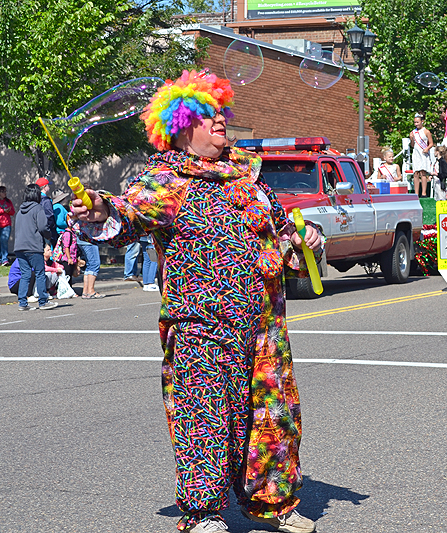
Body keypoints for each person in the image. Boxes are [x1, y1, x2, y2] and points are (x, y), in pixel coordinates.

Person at [72, 69, 321, 533]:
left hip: (262, 322)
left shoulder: (246, 174)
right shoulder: (165, 181)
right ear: (183, 127)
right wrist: (99, 208)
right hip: (201, 324)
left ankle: (274, 505)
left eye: (221, 113)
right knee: (203, 414)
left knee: (272, 412)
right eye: (207, 116)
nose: (220, 122)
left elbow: (283, 227)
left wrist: (304, 236)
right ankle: (203, 514)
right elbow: (126, 212)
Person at [14, 183, 58, 311]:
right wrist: (48, 236)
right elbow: (43, 227)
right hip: (33, 246)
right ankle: (43, 301)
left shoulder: (20, 211)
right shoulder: (38, 208)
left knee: (25, 274)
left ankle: (22, 302)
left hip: (19, 247)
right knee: (40, 273)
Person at [410, 112, 434, 198]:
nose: (416, 124)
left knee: (423, 173)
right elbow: (412, 145)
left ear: (422, 121)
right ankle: (416, 193)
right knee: (416, 173)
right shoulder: (413, 132)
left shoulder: (426, 131)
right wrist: (411, 139)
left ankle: (424, 193)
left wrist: (427, 148)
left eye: (418, 122)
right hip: (416, 154)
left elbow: (431, 143)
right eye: (415, 122)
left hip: (424, 154)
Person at [36, 177, 57, 242]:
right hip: (47, 230)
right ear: (44, 187)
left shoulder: (36, 199)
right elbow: (50, 216)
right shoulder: (46, 201)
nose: (49, 187)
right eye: (48, 185)